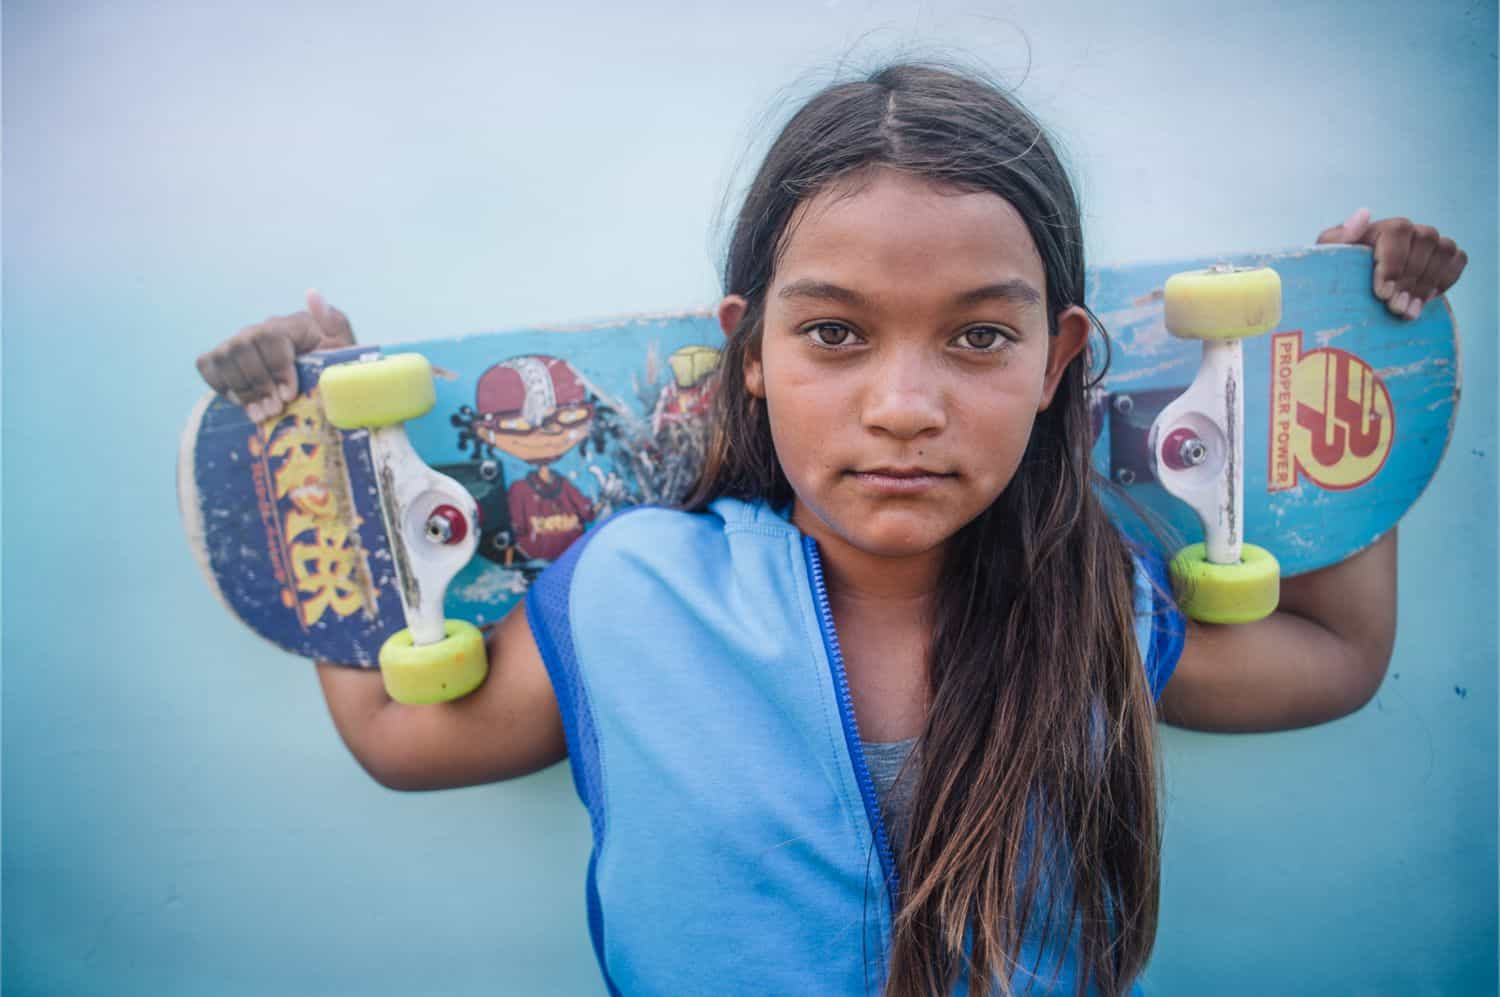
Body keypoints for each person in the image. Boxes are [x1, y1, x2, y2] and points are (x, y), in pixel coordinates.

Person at [195, 63, 1467, 996]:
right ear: (749, 353)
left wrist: (1331, 367)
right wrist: (315, 454)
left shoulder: (1100, 602)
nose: (904, 406)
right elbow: (400, 740)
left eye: (980, 335)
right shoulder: (632, 593)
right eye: (835, 333)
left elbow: (1336, 659)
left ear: (1056, 360)